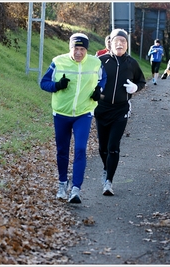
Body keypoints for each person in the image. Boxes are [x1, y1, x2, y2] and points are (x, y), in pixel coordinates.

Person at [40, 33, 107, 204]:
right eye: (75, 49)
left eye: (82, 49)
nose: (79, 53)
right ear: (70, 48)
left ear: (87, 50)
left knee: (80, 149)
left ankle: (76, 189)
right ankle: (63, 183)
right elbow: (43, 83)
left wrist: (98, 90)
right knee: (62, 151)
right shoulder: (59, 61)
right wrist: (57, 86)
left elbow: (103, 78)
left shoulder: (95, 62)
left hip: (83, 113)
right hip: (61, 113)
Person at [95, 28, 146, 196]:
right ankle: (106, 167)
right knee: (102, 148)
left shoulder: (131, 63)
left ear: (127, 44)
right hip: (101, 109)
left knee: (113, 147)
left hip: (121, 110)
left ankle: (108, 182)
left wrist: (135, 88)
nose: (120, 43)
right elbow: (88, 79)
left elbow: (141, 81)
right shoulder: (100, 61)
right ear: (110, 42)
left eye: (123, 41)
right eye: (117, 40)